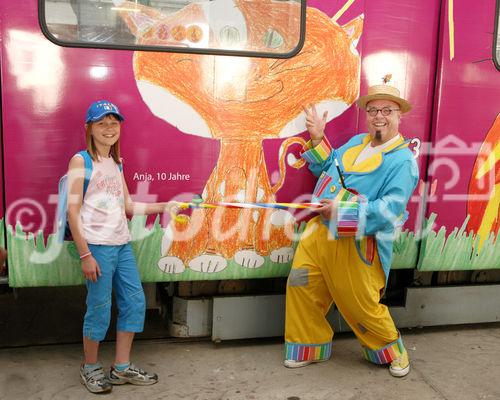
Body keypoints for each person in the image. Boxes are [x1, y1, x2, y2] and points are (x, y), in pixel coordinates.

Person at [284, 82, 419, 377]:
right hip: (318, 231)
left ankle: (392, 349)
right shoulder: (357, 142)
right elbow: (329, 168)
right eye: (373, 110)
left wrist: (342, 212)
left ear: (399, 116)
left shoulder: (403, 161)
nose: (379, 116)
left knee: (359, 304)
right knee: (302, 286)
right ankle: (310, 345)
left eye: (387, 110)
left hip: (356, 243)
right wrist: (318, 137)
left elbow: (389, 210)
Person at [67, 100, 178, 393]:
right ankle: (89, 367)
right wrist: (86, 255)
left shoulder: (117, 163)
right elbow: (72, 212)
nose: (108, 128)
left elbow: (128, 206)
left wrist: (166, 205)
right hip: (97, 247)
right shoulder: (81, 161)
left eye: (113, 123)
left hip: (121, 244)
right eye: (102, 123)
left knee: (135, 302)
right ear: (89, 128)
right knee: (100, 308)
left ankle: (121, 368)